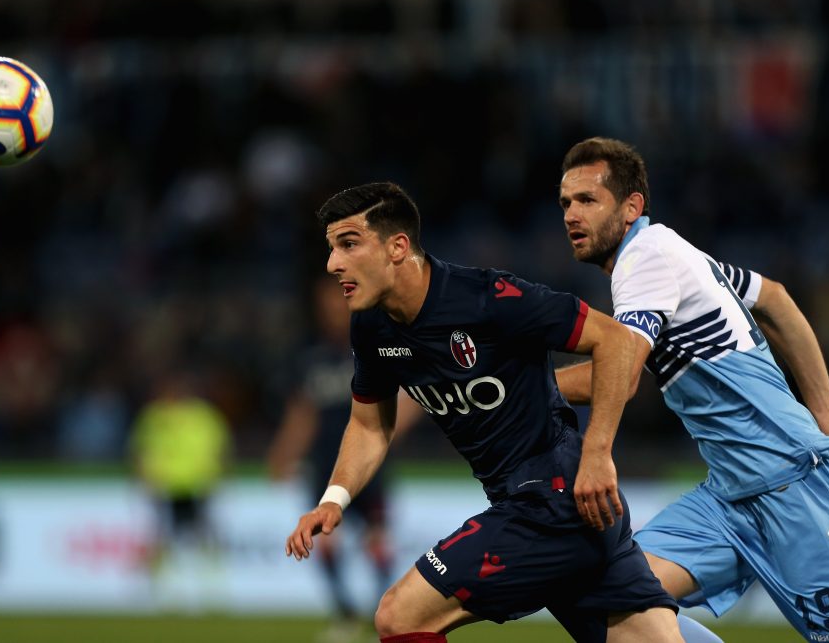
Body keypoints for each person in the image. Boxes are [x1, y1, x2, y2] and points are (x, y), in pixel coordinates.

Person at [284, 181, 686, 643]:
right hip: (560, 509)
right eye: (332, 248)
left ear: (397, 247)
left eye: (349, 244)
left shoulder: (488, 298)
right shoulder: (371, 327)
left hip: (551, 500)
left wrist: (598, 454)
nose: (333, 263)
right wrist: (333, 500)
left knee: (399, 616)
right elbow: (369, 425)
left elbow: (614, 340)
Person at [556, 137, 829, 641]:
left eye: (588, 200)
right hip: (728, 499)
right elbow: (775, 299)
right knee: (617, 598)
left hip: (794, 484)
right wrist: (823, 404)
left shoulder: (644, 259)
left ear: (631, 206)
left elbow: (621, 376)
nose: (572, 214)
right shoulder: (675, 252)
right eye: (566, 203)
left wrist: (529, 388)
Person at [269, 276, 422, 643]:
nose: (333, 312)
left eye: (338, 303)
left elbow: (415, 394)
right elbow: (302, 412)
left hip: (370, 465)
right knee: (325, 542)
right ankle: (345, 613)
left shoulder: (381, 343)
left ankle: (378, 611)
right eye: (325, 306)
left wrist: (383, 435)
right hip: (326, 466)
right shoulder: (311, 358)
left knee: (377, 541)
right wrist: (284, 452)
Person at [129, 369, 231, 579]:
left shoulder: (203, 415)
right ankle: (157, 577)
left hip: (197, 485)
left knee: (203, 534)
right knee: (161, 534)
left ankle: (211, 575)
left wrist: (217, 476)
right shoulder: (154, 416)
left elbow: (220, 448)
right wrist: (144, 477)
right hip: (165, 486)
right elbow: (140, 450)